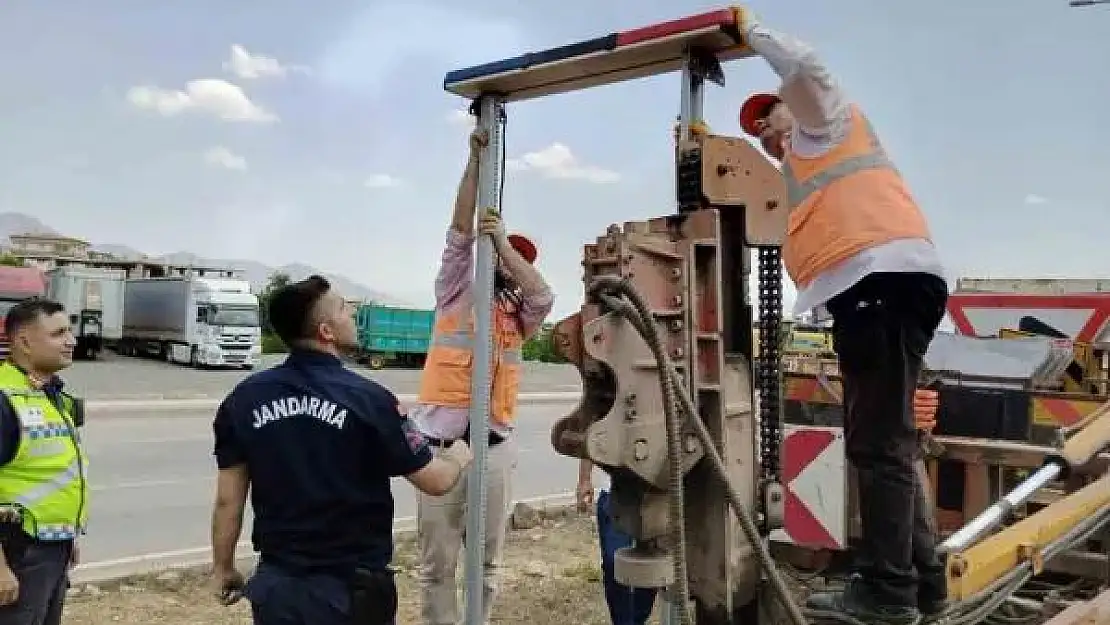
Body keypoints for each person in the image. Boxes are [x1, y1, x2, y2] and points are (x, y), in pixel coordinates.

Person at [735, 12, 949, 625]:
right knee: (888, 444)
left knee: (878, 447)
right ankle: (921, 582)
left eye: (768, 116)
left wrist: (749, 30)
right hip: (885, 288)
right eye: (758, 132)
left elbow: (804, 67)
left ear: (789, 108)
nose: (766, 132)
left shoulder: (823, 125)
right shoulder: (799, 171)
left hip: (880, 286)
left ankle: (888, 593)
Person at [208, 275, 474, 625]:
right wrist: (458, 453)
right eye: (344, 308)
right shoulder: (371, 401)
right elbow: (435, 481)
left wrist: (223, 567)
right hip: (352, 592)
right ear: (326, 331)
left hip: (279, 589)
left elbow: (229, 500)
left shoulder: (242, 401)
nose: (352, 313)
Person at [412, 125, 554, 625]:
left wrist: (507, 246)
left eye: (510, 261)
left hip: (492, 451)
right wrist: (475, 162)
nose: (502, 268)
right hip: (440, 449)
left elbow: (543, 296)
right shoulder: (456, 292)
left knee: (487, 564)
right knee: (436, 564)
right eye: (494, 256)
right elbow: (457, 231)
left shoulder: (520, 318)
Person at [0, 298, 87, 625]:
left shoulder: (48, 393)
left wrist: (65, 538)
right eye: (59, 333)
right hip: (17, 553)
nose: (71, 340)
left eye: (70, 331)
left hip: (50, 549)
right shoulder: (4, 398)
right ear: (24, 341)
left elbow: (47, 475)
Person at [576, 459, 656, 625]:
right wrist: (584, 479)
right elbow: (592, 435)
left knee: (651, 562)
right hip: (614, 491)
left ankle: (638, 618)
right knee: (613, 563)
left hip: (654, 492)